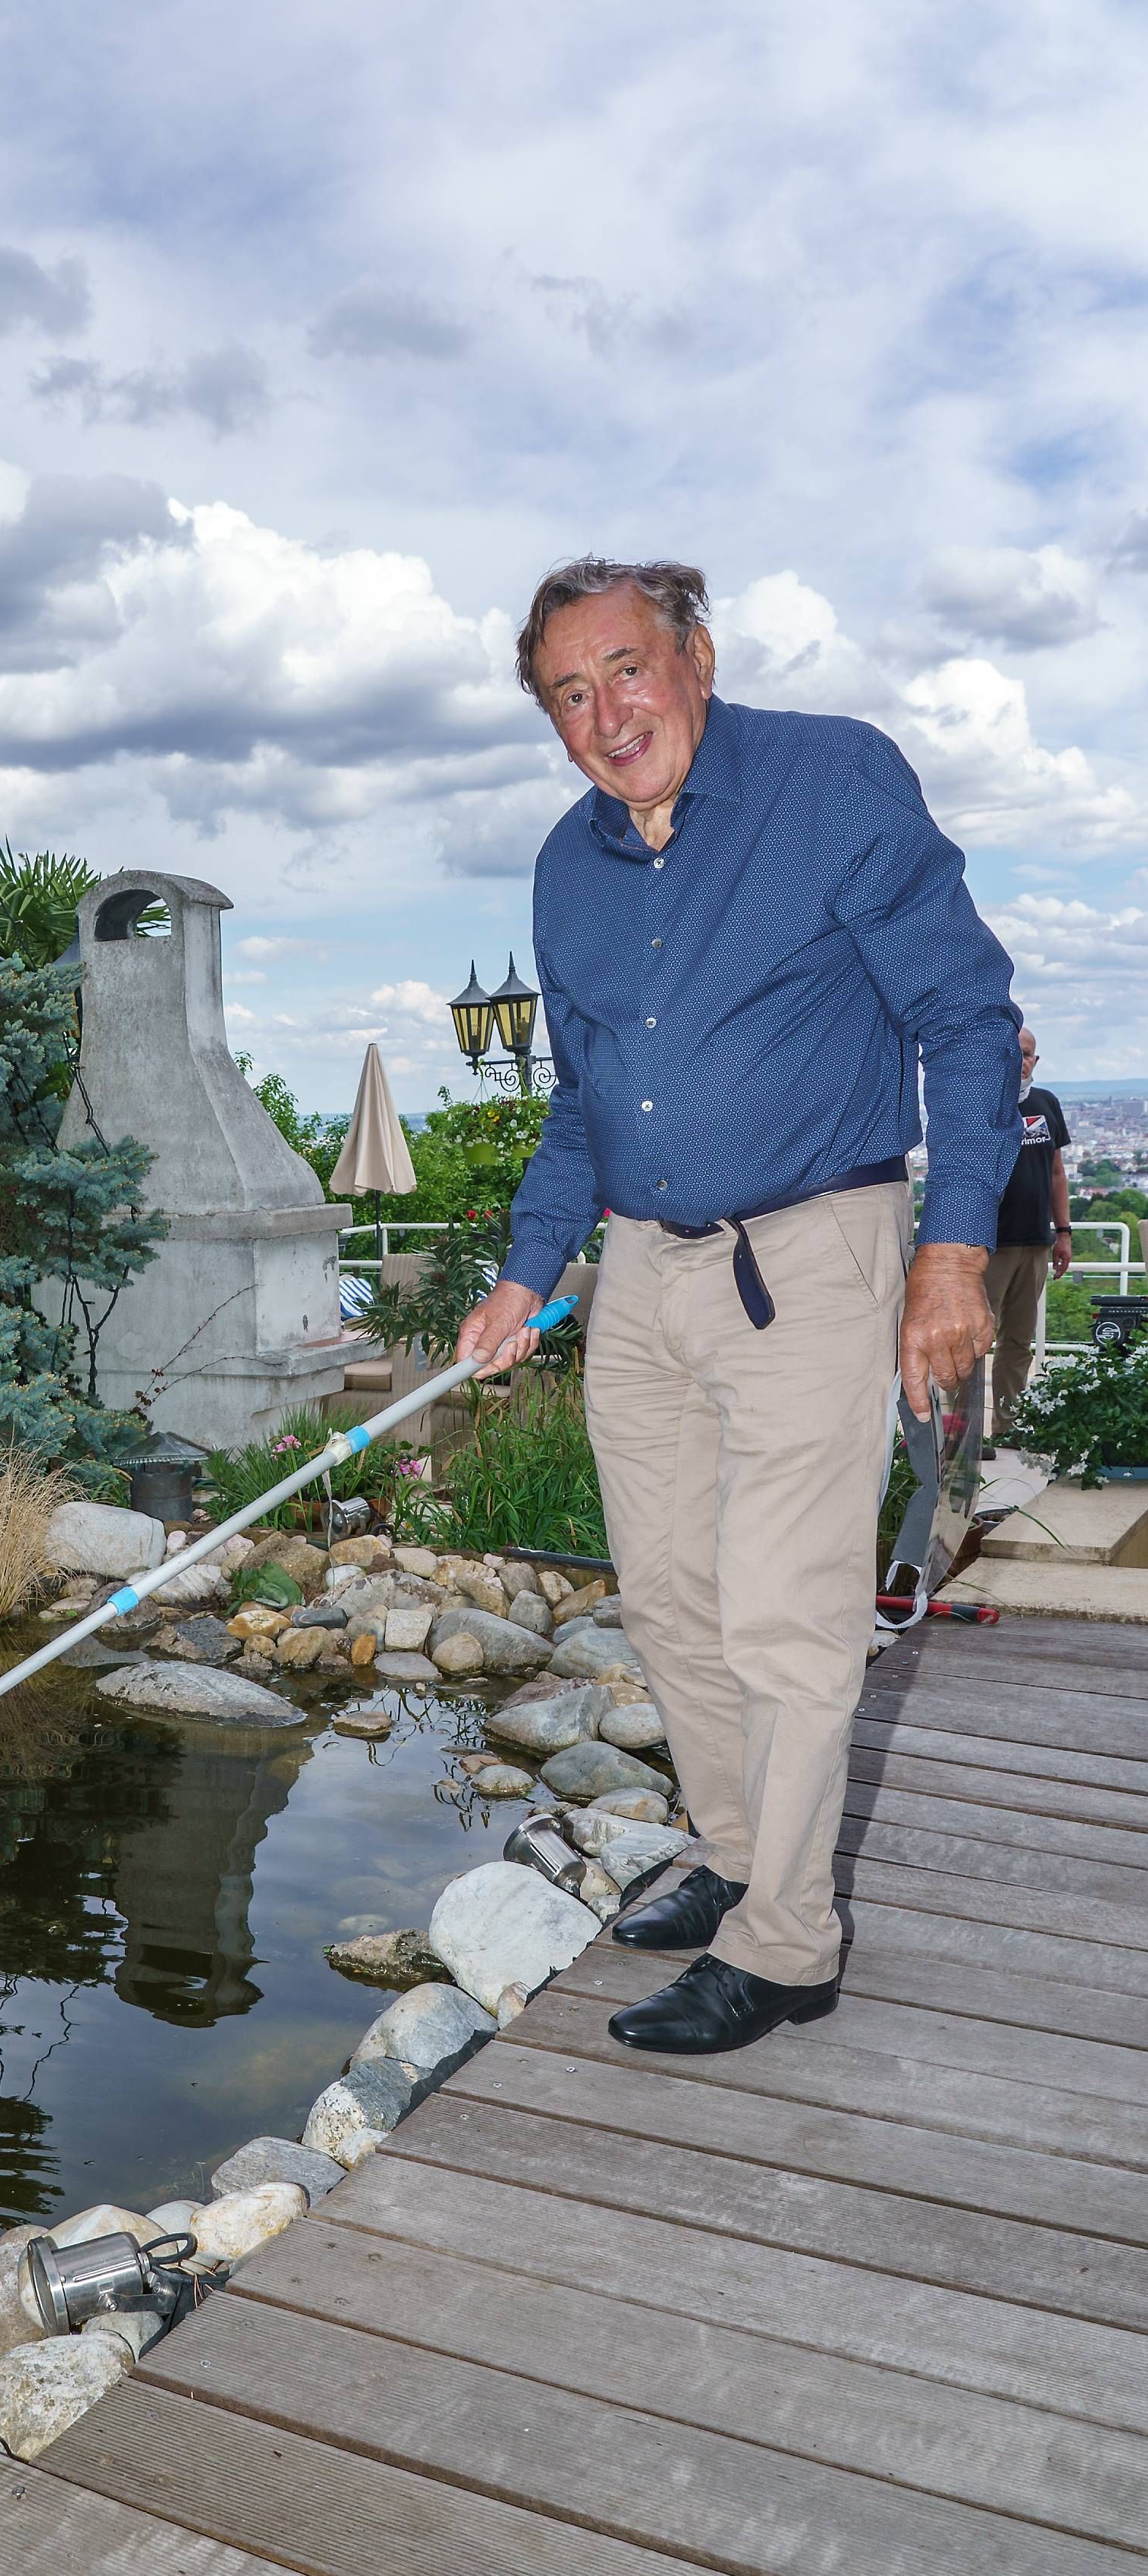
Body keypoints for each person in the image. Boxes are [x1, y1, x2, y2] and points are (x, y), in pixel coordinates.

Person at [457, 559, 1021, 2057]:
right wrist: (523, 1271)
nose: (605, 711)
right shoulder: (563, 867)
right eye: (567, 694)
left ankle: (785, 1943)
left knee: (784, 1616)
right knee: (667, 1598)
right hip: (638, 1271)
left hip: (813, 1254)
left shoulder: (826, 781)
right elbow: (578, 1105)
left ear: (692, 653)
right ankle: (726, 1855)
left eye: (626, 669)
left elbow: (963, 1015)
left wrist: (950, 1250)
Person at [986, 1030, 1070, 1443]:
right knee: (972, 1339)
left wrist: (1064, 1232)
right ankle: (960, 1436)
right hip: (987, 1243)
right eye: (1013, 1053)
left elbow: (1057, 1173)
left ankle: (1006, 1426)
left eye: (1027, 1055)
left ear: (1036, 1061)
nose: (1020, 1061)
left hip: (1036, 1240)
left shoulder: (1046, 1104)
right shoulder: (981, 1101)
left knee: (1018, 1339)